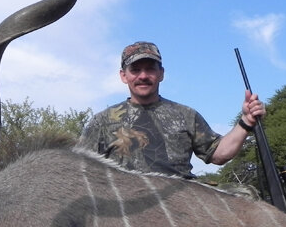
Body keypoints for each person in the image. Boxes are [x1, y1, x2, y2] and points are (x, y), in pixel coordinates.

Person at [77, 41, 265, 178]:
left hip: (182, 208)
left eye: (150, 69)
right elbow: (81, 170)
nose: (143, 76)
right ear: (123, 76)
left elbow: (217, 154)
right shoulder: (102, 122)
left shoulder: (186, 115)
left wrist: (246, 122)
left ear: (161, 74)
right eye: (135, 69)